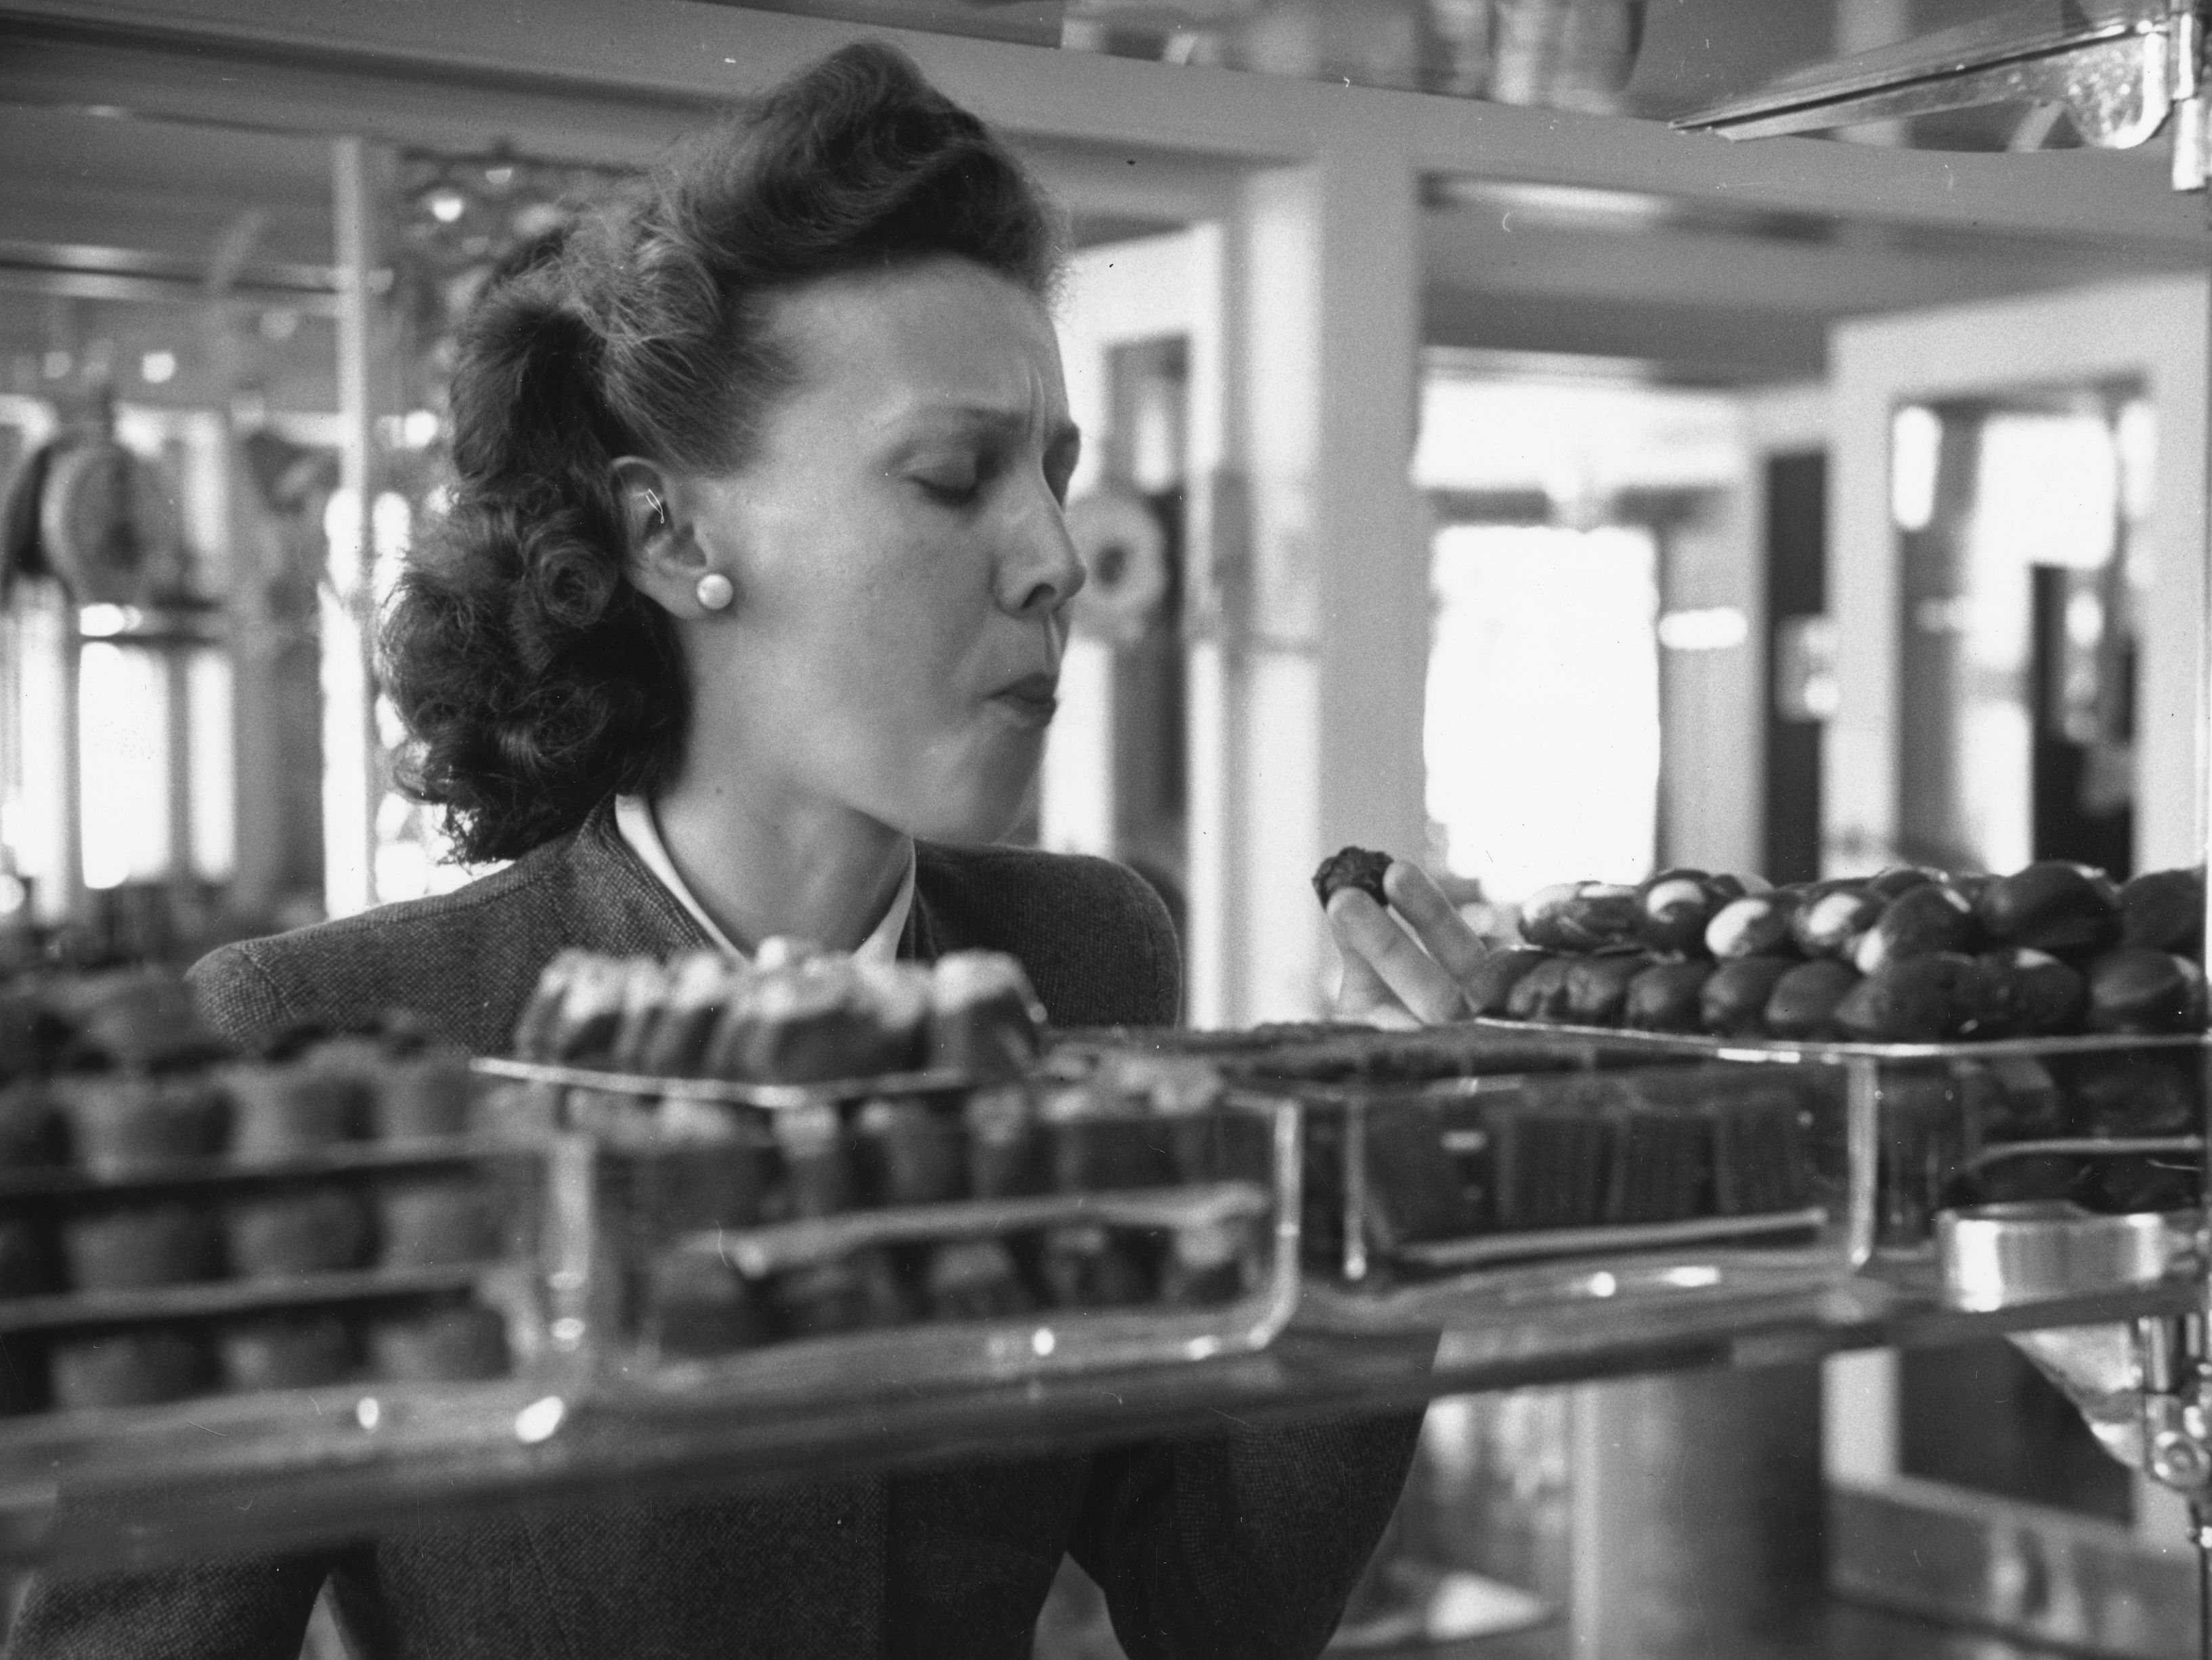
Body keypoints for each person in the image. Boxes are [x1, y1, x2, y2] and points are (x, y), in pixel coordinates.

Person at [5, 42, 1431, 1660]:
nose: (1050, 558)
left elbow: (1221, 1606)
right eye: (954, 475)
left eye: (1052, 474)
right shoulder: (332, 1033)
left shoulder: (1089, 950)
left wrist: (1376, 1175)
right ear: (673, 536)